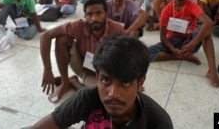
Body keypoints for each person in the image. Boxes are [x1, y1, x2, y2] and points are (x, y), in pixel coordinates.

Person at [32, 35, 174, 129]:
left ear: (140, 82)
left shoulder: (157, 122)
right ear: (98, 76)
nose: (113, 94)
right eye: (106, 80)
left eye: (125, 83)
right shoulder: (87, 98)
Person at [40, 0, 125, 103]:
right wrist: (47, 69)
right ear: (85, 15)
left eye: (99, 13)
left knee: (100, 99)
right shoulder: (79, 25)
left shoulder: (117, 30)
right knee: (62, 39)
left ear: (106, 14)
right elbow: (45, 36)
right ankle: (65, 82)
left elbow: (130, 56)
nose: (94, 18)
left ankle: (74, 82)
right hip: (85, 69)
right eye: (90, 14)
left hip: (107, 73)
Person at [149, 0, 219, 88]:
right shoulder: (166, 10)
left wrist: (192, 43)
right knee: (145, 54)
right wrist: (173, 49)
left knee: (206, 32)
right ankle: (179, 56)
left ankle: (212, 71)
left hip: (190, 41)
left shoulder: (192, 6)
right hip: (172, 41)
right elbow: (163, 37)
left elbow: (208, 22)